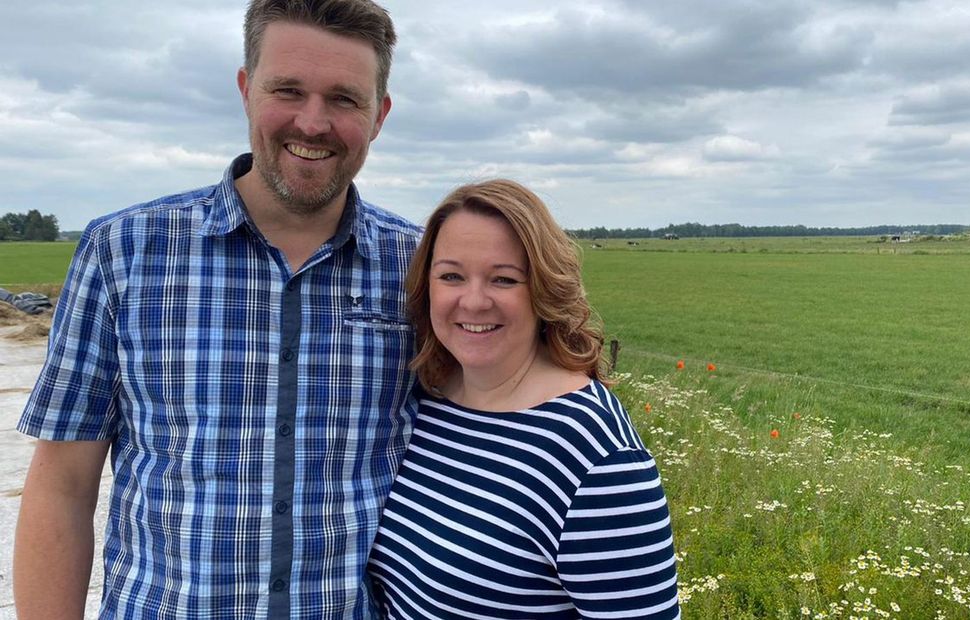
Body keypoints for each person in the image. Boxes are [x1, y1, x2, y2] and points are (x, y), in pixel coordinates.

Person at [13, 1, 419, 618]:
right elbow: (63, 485)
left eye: (344, 99)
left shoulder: (423, 270)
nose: (312, 123)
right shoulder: (123, 252)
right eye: (288, 90)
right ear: (245, 89)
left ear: (380, 114)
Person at [366, 180, 681, 618]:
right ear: (427, 286)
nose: (473, 301)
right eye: (452, 275)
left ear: (544, 291)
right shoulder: (427, 402)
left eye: (504, 279)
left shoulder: (595, 457)